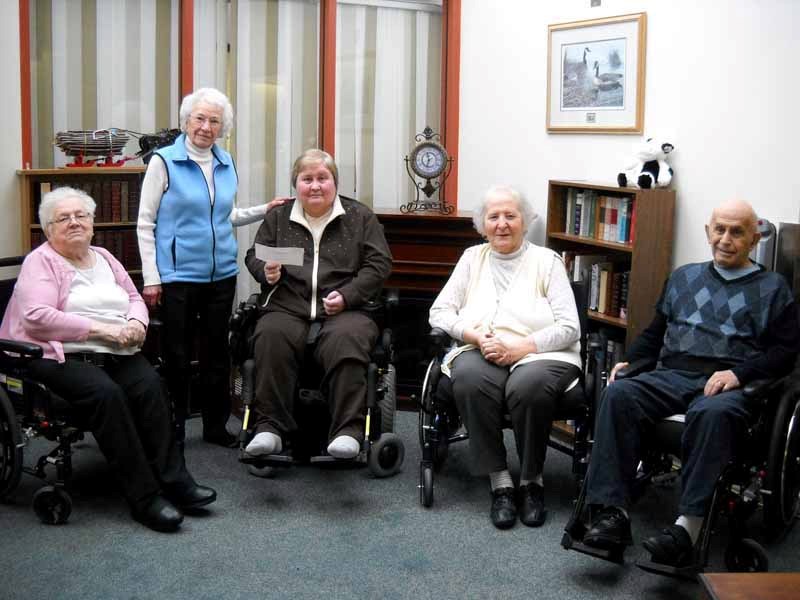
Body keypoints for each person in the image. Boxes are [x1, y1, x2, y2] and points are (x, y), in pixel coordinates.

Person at [577, 199, 800, 566]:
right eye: (720, 229)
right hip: (672, 374)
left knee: (712, 414)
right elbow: (656, 332)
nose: (726, 239)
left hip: (729, 383)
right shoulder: (684, 277)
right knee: (619, 394)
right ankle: (611, 513)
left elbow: (785, 353)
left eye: (737, 231)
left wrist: (738, 374)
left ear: (754, 237)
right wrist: (632, 361)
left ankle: (688, 526)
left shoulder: (773, 288)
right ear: (708, 232)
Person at [0, 186, 217, 532]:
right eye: (63, 218)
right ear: (48, 228)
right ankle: (144, 498)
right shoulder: (40, 262)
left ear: (92, 222)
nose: (74, 222)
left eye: (81, 216)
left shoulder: (104, 256)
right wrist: (100, 331)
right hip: (57, 354)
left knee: (151, 386)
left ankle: (176, 480)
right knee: (106, 395)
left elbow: (133, 297)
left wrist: (135, 323)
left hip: (116, 349)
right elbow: (36, 317)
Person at [137, 87, 286, 447]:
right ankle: (171, 426)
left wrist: (263, 209)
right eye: (200, 118)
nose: (206, 126)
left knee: (218, 353)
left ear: (223, 127)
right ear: (186, 121)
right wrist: (152, 278)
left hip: (221, 275)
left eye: (214, 121)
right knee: (177, 355)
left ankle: (215, 427)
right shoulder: (163, 162)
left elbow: (227, 215)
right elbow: (145, 223)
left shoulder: (225, 161)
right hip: (177, 278)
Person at [429, 185, 582, 529]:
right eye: (493, 216)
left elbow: (570, 327)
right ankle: (500, 482)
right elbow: (439, 312)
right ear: (482, 224)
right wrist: (472, 335)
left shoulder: (548, 262)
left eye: (510, 216)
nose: (502, 224)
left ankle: (531, 482)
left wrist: (521, 347)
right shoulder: (472, 258)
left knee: (528, 386)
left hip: (542, 352)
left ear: (525, 221)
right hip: (481, 347)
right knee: (468, 379)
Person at [243, 149, 392, 461]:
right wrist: (265, 270)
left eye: (322, 178)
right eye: (306, 179)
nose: (314, 186)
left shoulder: (359, 217)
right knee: (270, 336)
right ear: (295, 184)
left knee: (346, 340)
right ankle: (270, 428)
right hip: (288, 304)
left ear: (334, 183)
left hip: (347, 307)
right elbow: (255, 255)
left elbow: (379, 264)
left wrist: (349, 295)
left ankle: (347, 432)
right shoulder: (279, 218)